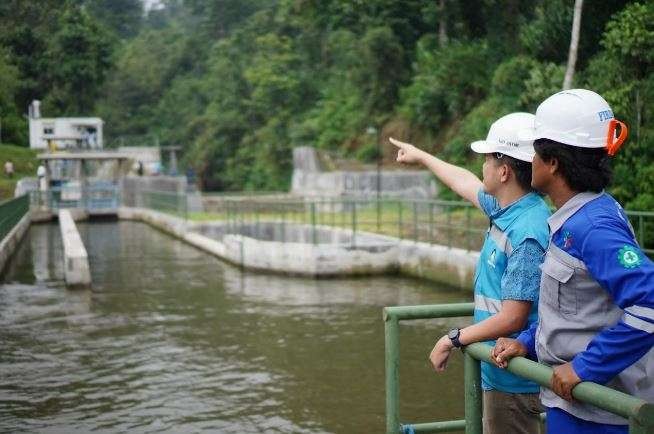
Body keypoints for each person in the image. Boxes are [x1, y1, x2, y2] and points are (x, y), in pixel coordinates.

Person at [491, 89, 654, 434]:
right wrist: (529, 341)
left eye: (535, 152)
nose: (530, 160)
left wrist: (586, 368)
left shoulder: (593, 226)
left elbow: (650, 304)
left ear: (553, 162)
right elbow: (578, 311)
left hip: (600, 412)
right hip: (570, 404)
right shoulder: (572, 218)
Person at [390, 112, 551, 434]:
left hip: (514, 379)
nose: (482, 167)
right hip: (497, 368)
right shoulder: (507, 209)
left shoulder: (527, 231)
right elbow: (462, 180)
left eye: (488, 159)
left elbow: (513, 318)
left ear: (504, 171)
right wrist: (421, 156)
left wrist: (452, 339)